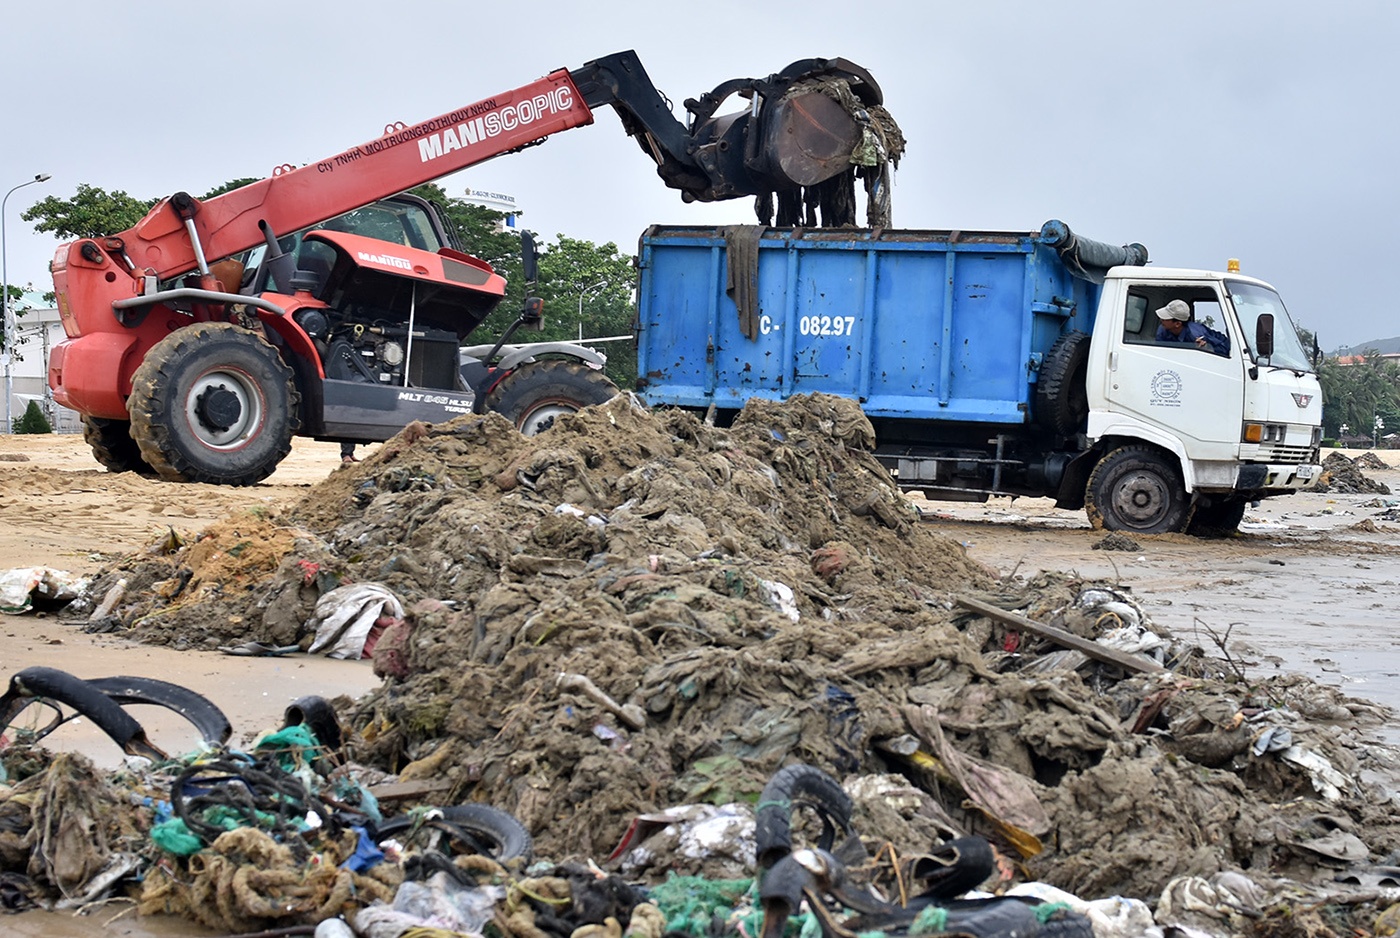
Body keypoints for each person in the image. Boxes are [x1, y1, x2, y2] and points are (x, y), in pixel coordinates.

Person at [1155, 299, 1230, 356]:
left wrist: (1208, 348)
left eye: (1165, 319)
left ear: (1177, 324)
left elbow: (1224, 349)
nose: (1161, 320)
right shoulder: (1163, 329)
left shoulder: (1196, 333)